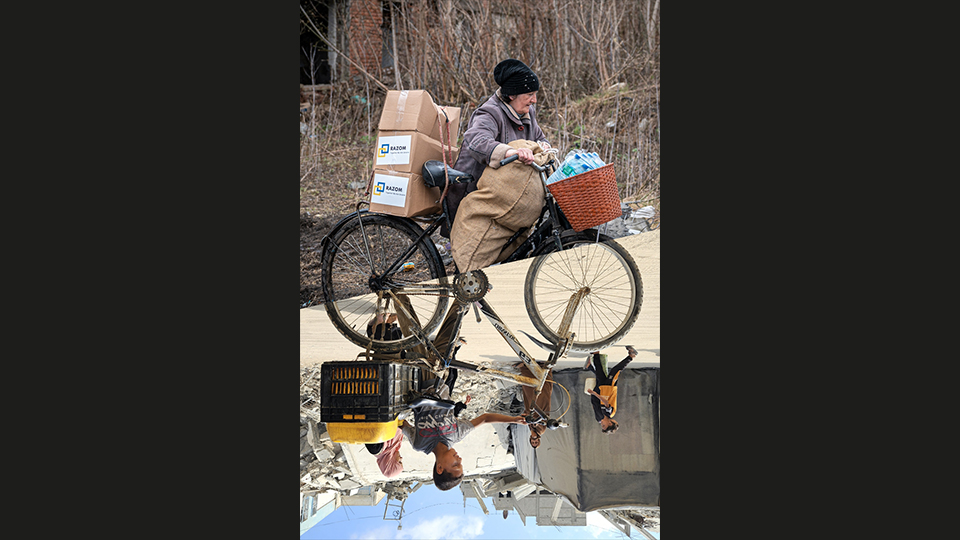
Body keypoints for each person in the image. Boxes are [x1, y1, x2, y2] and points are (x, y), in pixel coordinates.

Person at [441, 58, 552, 239]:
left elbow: (538, 137)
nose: (535, 100)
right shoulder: (490, 112)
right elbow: (476, 140)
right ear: (512, 95)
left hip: (505, 190)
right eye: (530, 94)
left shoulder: (526, 110)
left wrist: (544, 145)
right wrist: (511, 152)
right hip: (475, 190)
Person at [400, 368, 526, 491]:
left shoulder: (419, 444)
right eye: (460, 463)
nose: (459, 459)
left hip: (415, 384)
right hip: (440, 378)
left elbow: (401, 423)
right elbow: (485, 418)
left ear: (440, 468)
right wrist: (514, 419)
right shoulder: (456, 434)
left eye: (455, 464)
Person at [584, 346, 638, 433]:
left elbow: (594, 406)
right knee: (615, 371)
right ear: (609, 423)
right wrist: (594, 393)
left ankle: (595, 355)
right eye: (604, 425)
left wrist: (594, 394)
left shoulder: (598, 419)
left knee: (600, 373)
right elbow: (605, 402)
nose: (602, 424)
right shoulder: (609, 412)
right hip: (609, 388)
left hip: (600, 390)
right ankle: (631, 356)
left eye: (602, 426)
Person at [517, 362, 554, 449]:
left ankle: (526, 368)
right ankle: (540, 368)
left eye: (533, 442)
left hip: (532, 407)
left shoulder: (531, 430)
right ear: (539, 440)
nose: (534, 440)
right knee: (540, 388)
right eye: (536, 442)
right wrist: (534, 422)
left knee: (528, 389)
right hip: (540, 406)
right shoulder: (541, 431)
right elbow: (540, 420)